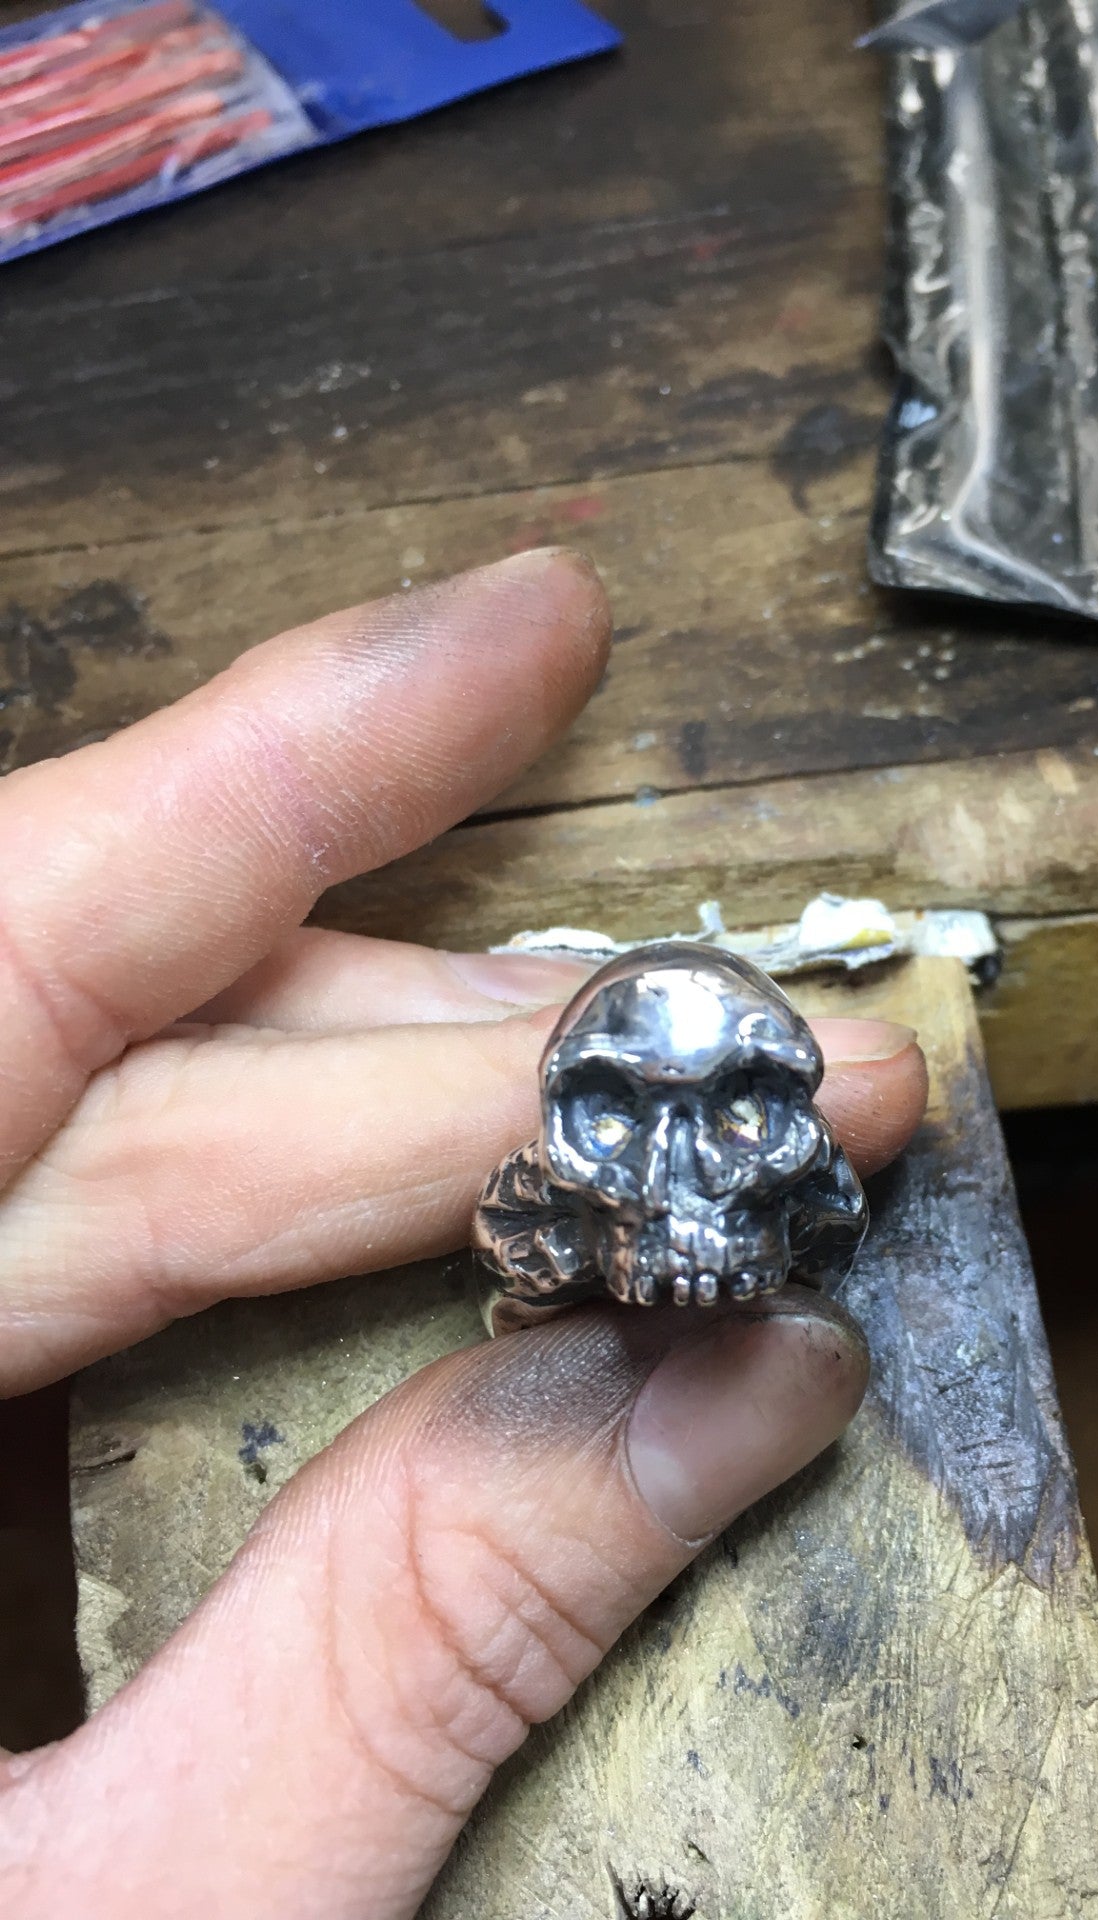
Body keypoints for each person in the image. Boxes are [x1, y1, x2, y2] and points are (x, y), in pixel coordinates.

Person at [0, 549, 926, 1917]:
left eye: (743, 1113)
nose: (680, 1179)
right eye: (615, 1121)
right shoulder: (572, 1200)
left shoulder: (749, 1185)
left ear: (787, 1124)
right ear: (569, 1139)